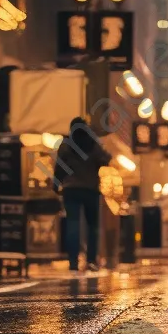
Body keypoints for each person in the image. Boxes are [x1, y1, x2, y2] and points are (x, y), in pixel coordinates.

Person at [57, 116, 112, 272]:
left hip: (71, 189)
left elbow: (59, 167)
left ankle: (73, 262)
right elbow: (105, 159)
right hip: (90, 190)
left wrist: (56, 184)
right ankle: (91, 260)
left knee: (72, 224)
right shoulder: (92, 144)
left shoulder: (66, 144)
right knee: (92, 226)